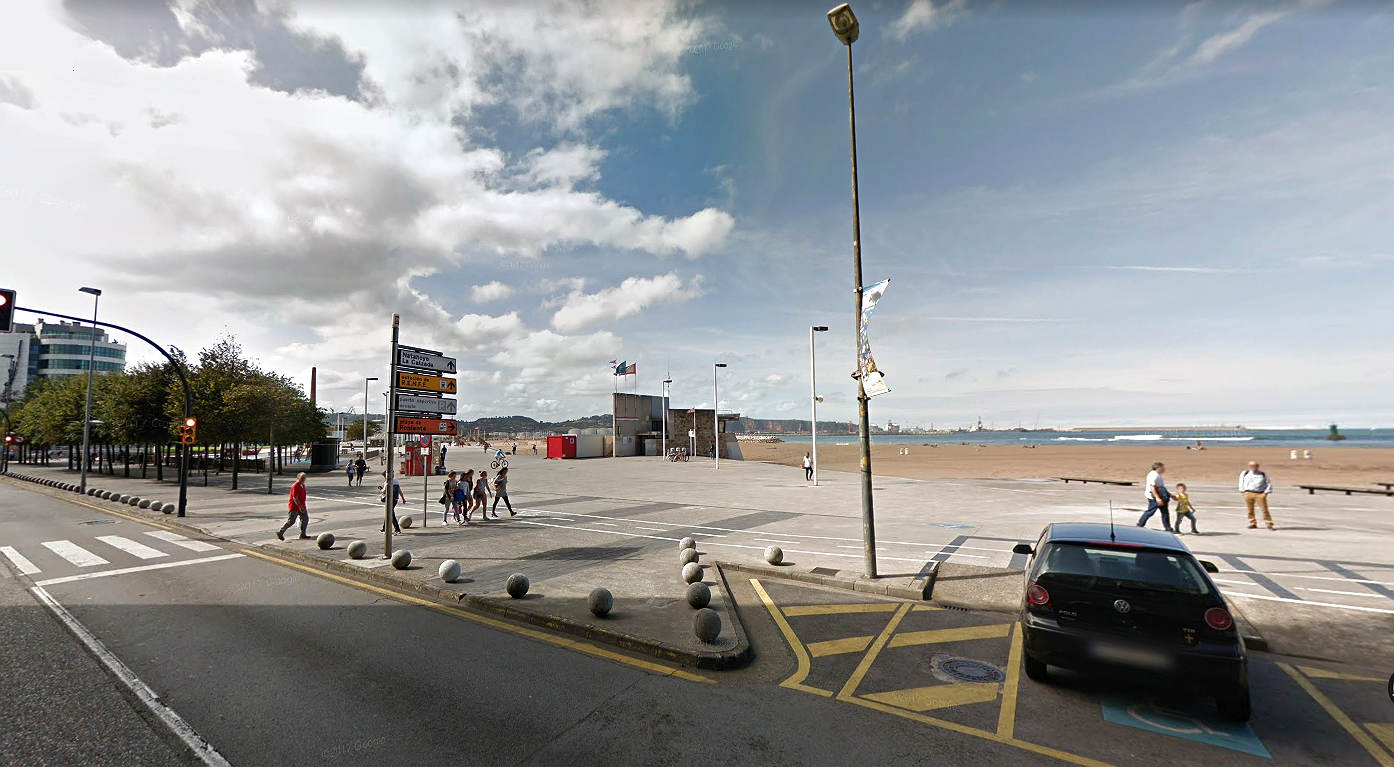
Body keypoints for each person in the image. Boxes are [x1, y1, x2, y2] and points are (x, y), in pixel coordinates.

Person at [1135, 461, 1173, 532]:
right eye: (1163, 467)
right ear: (1158, 468)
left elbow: (1161, 487)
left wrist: (1171, 495)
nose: (1164, 469)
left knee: (1165, 513)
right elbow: (1152, 487)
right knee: (1150, 512)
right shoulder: (1153, 475)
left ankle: (1168, 528)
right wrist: (1157, 498)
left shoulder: (1158, 475)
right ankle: (1140, 525)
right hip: (1154, 497)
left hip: (1161, 496)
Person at [1239, 461, 1275, 530]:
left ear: (1258, 466)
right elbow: (1241, 482)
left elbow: (1268, 483)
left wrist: (1266, 493)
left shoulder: (1262, 474)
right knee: (1250, 509)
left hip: (1260, 493)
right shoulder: (1245, 473)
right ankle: (1253, 523)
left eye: (1255, 466)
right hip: (1248, 493)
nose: (1253, 467)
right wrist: (1243, 491)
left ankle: (1269, 524)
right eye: (1251, 466)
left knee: (1264, 509)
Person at [276, 472, 310, 540]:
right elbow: (295, 498)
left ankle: (303, 534)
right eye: (302, 478)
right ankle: (280, 532)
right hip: (295, 507)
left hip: (302, 506)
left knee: (305, 519)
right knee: (291, 521)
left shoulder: (302, 485)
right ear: (298, 478)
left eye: (304, 478)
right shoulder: (295, 486)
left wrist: (303, 506)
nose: (303, 479)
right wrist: (300, 506)